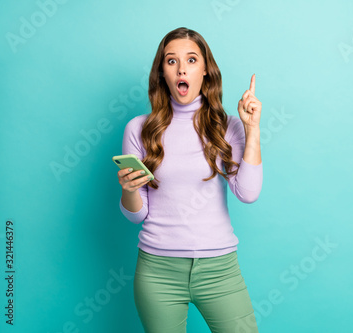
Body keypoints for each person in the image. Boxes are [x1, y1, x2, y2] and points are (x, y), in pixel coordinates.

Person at [116, 27, 263, 333]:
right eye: (172, 61)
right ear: (162, 73)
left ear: (205, 70)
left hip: (220, 270)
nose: (182, 68)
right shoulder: (138, 129)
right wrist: (129, 190)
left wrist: (252, 132)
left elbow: (248, 193)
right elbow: (137, 215)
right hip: (158, 272)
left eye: (192, 60)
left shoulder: (228, 127)